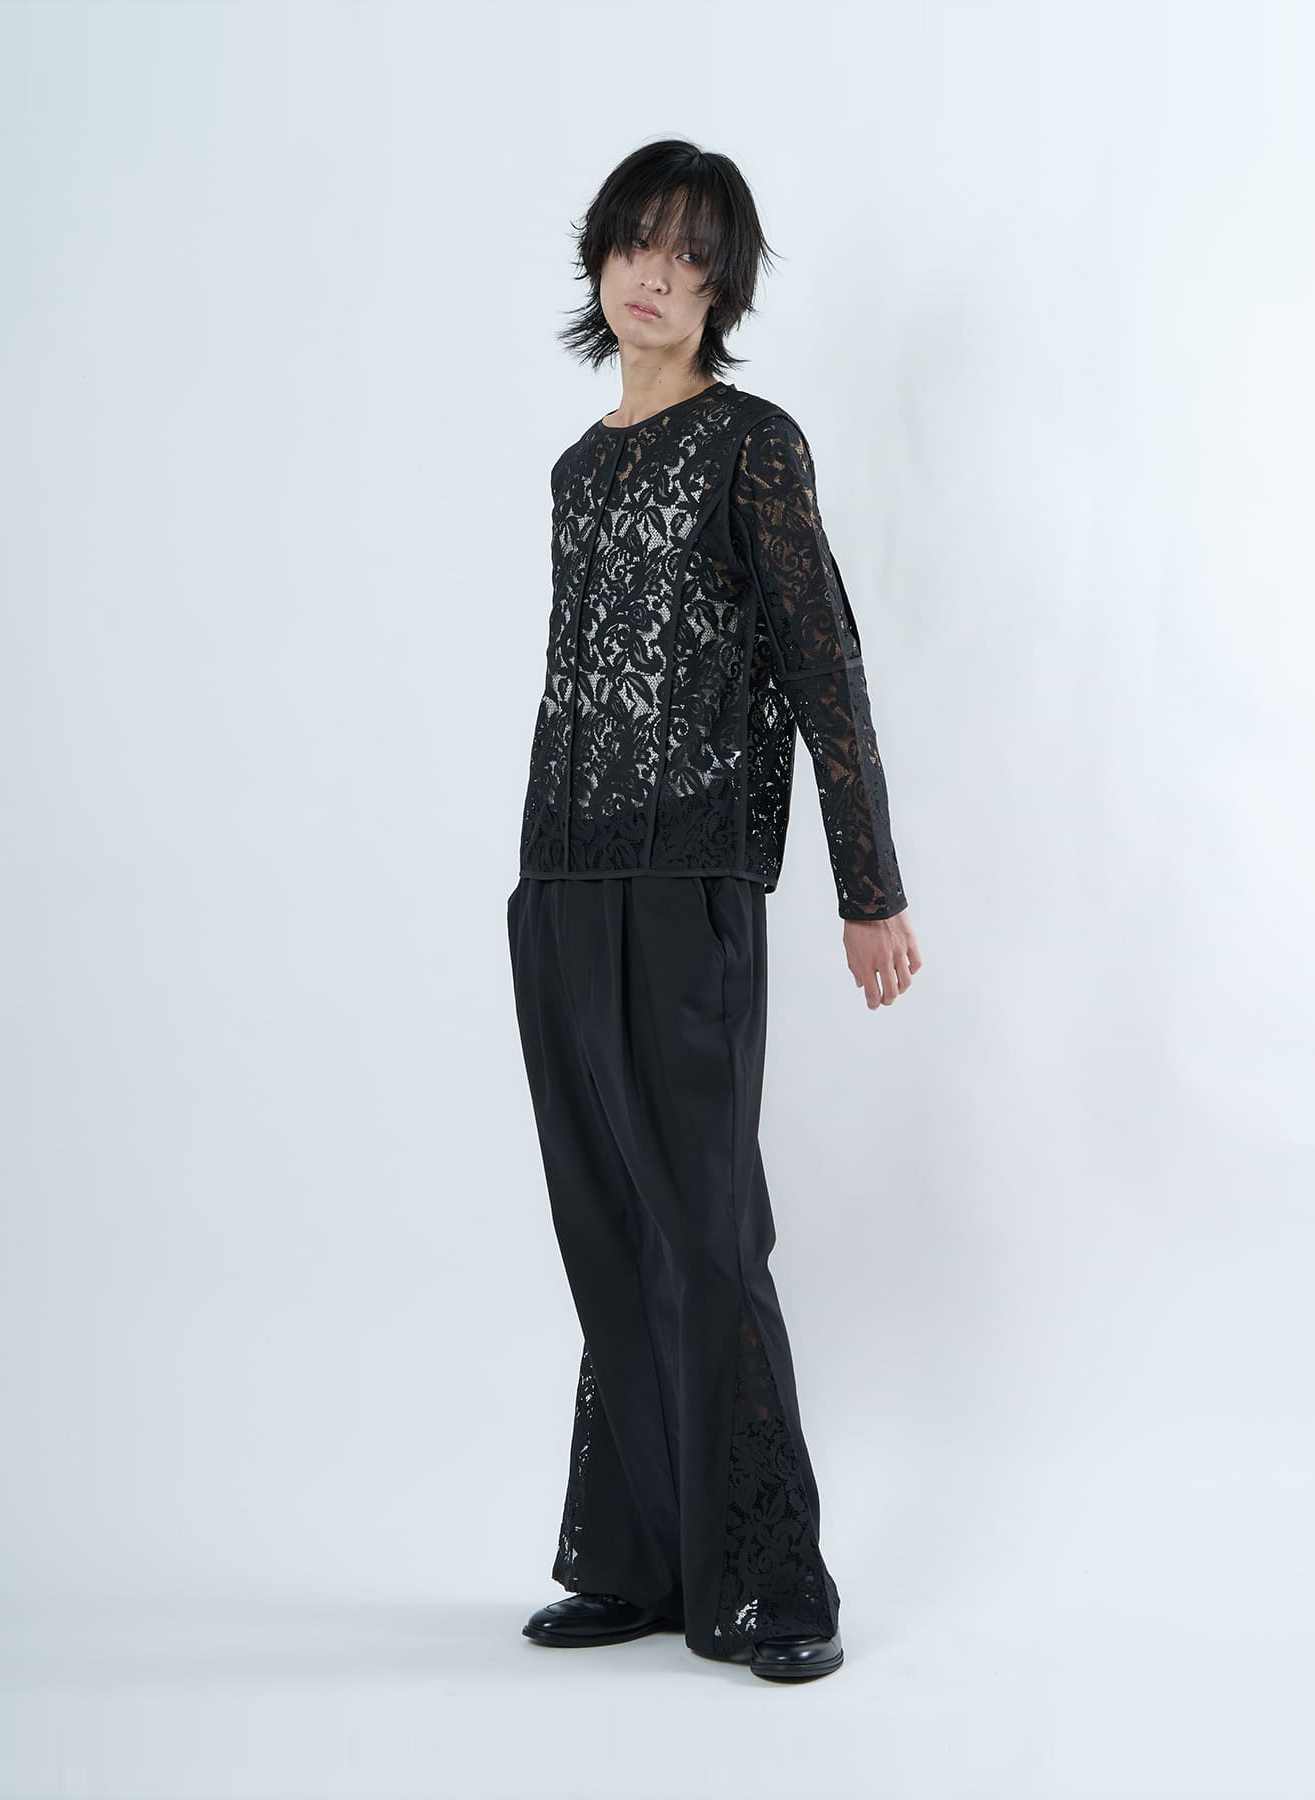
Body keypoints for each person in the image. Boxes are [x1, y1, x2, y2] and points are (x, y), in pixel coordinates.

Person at [506, 139, 920, 1684]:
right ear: (600, 259)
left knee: (706, 1227)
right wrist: (535, 887)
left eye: (690, 254)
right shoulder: (576, 470)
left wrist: (867, 890)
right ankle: (634, 1559)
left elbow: (823, 663)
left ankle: (776, 1582)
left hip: (690, 885)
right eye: (636, 242)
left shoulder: (753, 444)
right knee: (606, 1224)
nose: (655, 274)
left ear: (722, 287)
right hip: (559, 882)